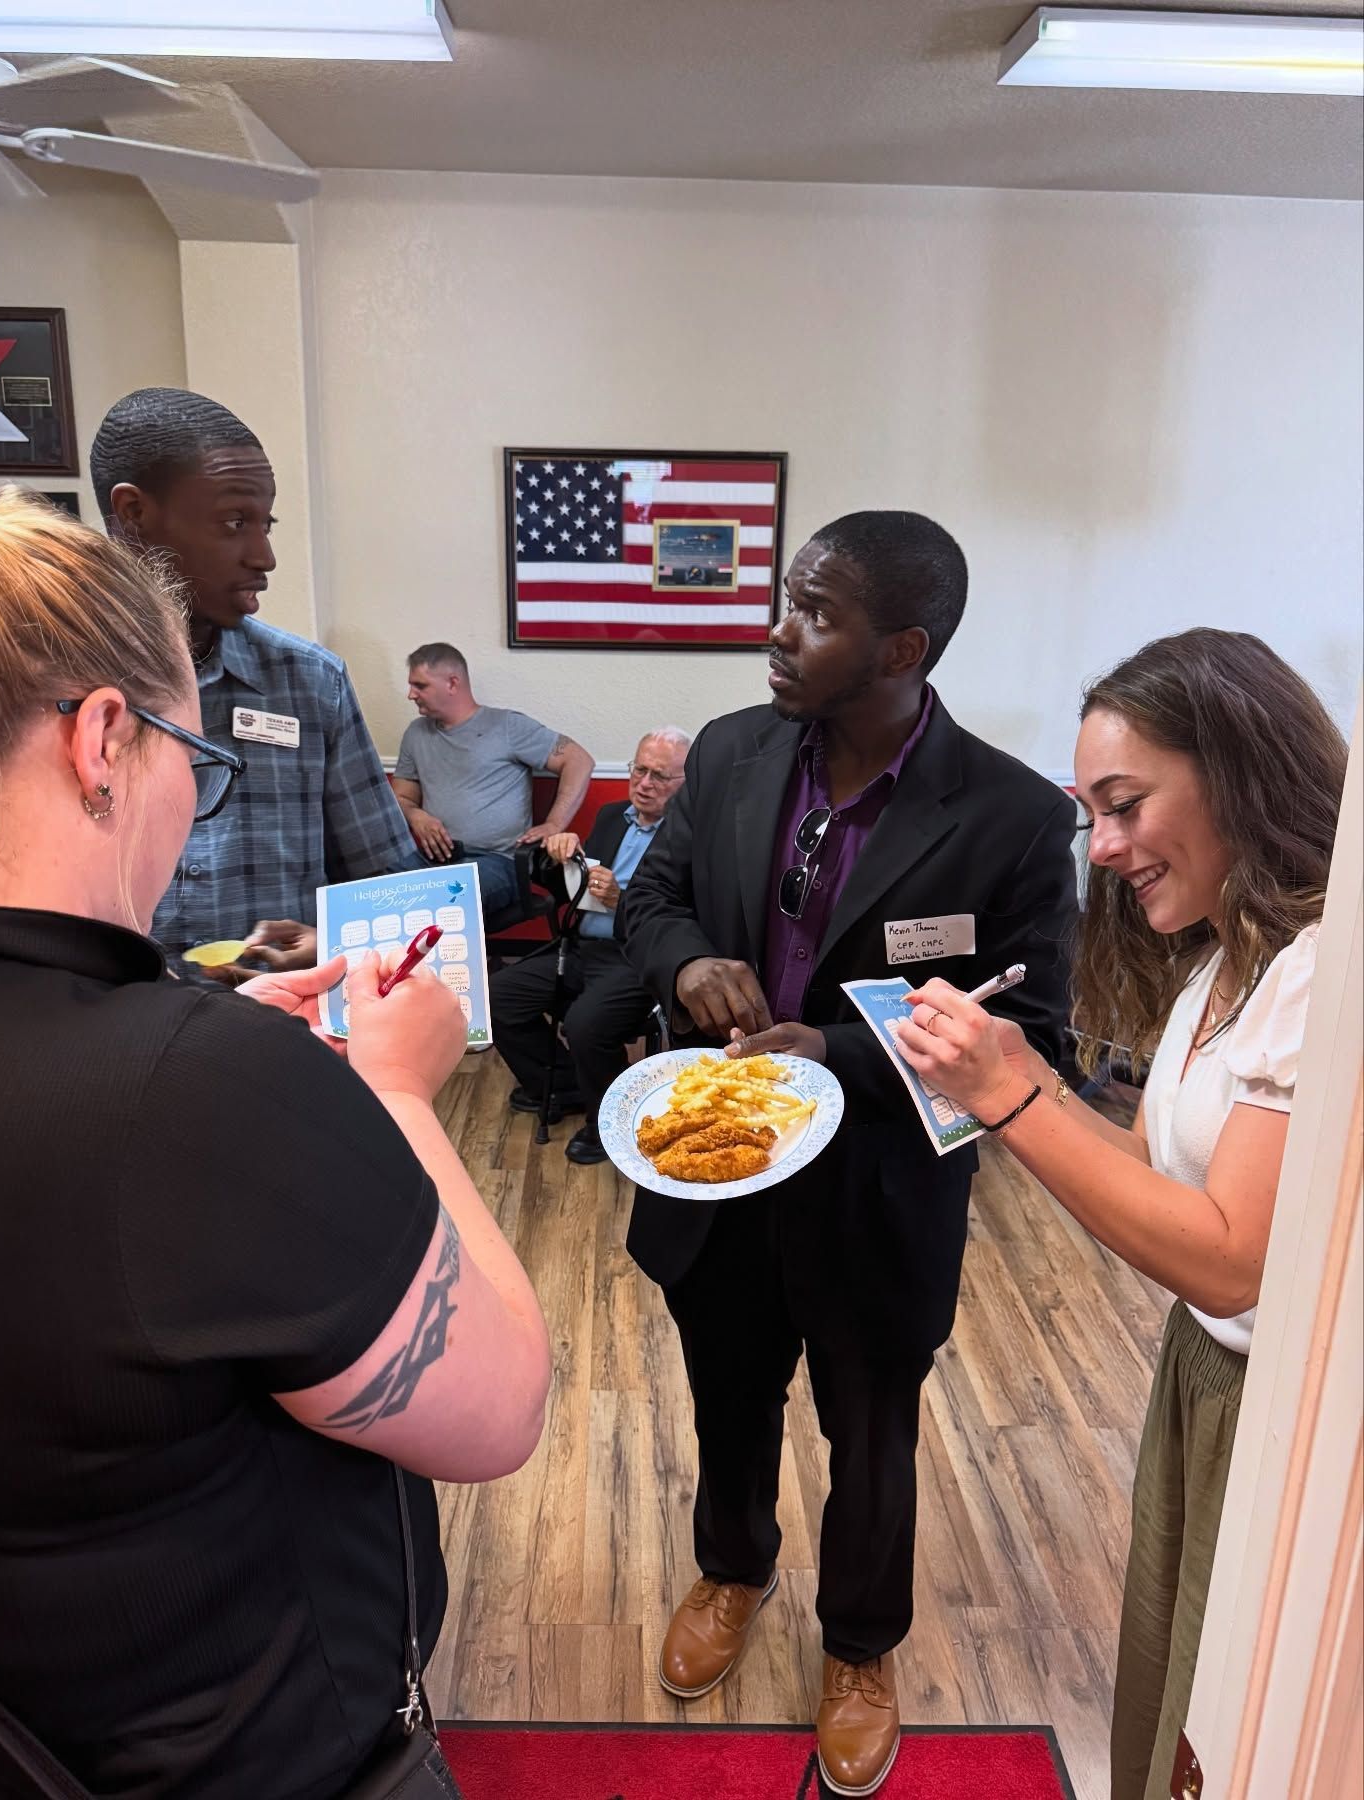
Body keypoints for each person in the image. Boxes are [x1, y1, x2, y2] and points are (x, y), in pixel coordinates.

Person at [0, 474, 551, 1797]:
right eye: (187, 764)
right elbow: (498, 1409)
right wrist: (390, 1096)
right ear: (103, 739)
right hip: (260, 1756)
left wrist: (173, 1026)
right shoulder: (194, 1100)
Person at [622, 511, 1079, 1797]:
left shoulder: (1011, 820)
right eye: (784, 599)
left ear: (902, 647)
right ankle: (733, 1568)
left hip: (880, 1190)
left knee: (872, 1430)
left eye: (814, 614)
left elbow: (1029, 1032)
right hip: (719, 1168)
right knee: (727, 1391)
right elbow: (650, 900)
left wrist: (835, 1052)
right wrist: (687, 960)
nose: (777, 629)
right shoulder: (728, 752)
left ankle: (862, 1645)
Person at [890, 629, 1346, 1800]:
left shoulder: (1318, 971)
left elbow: (1232, 1259)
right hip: (1200, 1379)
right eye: (1091, 812)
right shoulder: (1223, 966)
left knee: (1230, 1711)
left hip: (1272, 1405)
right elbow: (1154, 1166)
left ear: (1236, 767)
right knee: (1168, 1679)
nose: (1104, 846)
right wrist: (1008, 1078)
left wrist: (1006, 1096)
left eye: (1125, 805)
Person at [91, 387, 414, 979]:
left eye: (266, 524)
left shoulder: (313, 684)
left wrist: (331, 941)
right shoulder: (37, 688)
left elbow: (395, 894)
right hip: (103, 1051)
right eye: (234, 522)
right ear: (134, 514)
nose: (264, 556)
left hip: (281, 1042)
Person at [489, 727, 691, 1165]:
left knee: (585, 1025)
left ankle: (609, 1120)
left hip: (637, 958)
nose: (643, 783)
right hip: (582, 946)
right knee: (499, 997)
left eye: (660, 776)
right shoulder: (612, 816)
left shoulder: (692, 839)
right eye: (639, 769)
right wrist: (558, 857)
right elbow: (569, 892)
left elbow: (686, 920)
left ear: (686, 782)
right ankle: (567, 1085)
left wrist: (624, 902)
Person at [391, 642, 595, 926]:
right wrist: (416, 815)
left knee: (444, 900)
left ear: (452, 683)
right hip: (435, 860)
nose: (411, 694)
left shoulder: (507, 727)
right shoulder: (416, 734)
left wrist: (554, 824)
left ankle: (470, 967)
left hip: (498, 862)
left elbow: (579, 760)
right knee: (376, 891)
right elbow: (403, 797)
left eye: (420, 685)